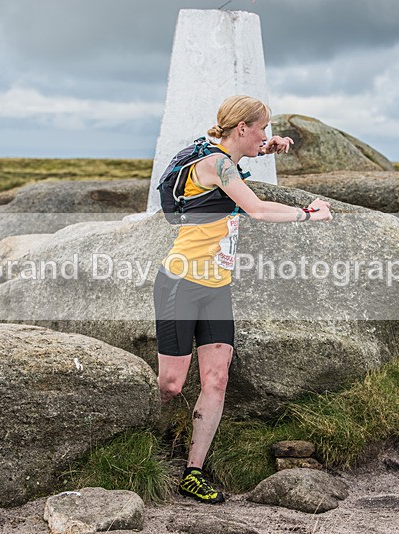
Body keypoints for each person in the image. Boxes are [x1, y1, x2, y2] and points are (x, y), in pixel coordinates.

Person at [153, 95, 333, 503]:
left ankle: (192, 473)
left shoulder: (223, 157)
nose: (268, 136)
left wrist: (266, 147)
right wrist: (309, 214)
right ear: (242, 128)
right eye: (262, 129)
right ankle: (146, 442)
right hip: (180, 283)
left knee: (217, 378)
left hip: (217, 287)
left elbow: (236, 159)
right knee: (171, 384)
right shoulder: (214, 164)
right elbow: (257, 209)